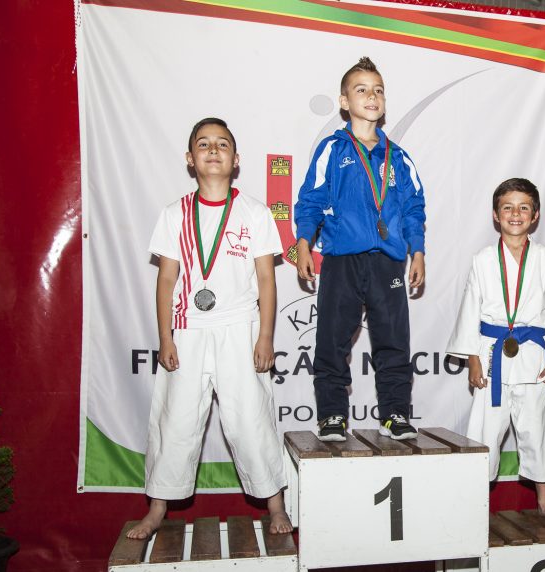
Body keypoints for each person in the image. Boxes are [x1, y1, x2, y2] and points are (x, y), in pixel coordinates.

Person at [129, 117, 291, 539]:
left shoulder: (253, 213)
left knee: (250, 419)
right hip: (188, 328)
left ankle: (276, 505)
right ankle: (157, 509)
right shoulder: (173, 214)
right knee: (175, 421)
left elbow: (267, 280)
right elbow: (166, 280)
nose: (213, 150)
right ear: (190, 158)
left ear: (236, 161)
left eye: (222, 144)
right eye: (203, 144)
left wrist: (266, 337)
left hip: (239, 325)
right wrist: (165, 336)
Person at [294, 56, 426, 441]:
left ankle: (395, 414)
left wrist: (417, 250)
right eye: (362, 89)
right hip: (341, 260)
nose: (372, 96)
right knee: (332, 339)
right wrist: (304, 242)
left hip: (388, 261)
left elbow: (414, 207)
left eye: (378, 90)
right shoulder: (331, 150)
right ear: (343, 101)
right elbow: (311, 200)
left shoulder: (399, 157)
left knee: (393, 340)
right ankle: (332, 415)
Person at [446, 178, 545, 524]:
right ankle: (473, 502)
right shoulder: (482, 259)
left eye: (524, 207)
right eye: (507, 207)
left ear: (535, 216)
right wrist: (472, 359)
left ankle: (544, 500)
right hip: (492, 355)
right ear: (496, 215)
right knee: (483, 433)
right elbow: (470, 310)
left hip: (535, 356)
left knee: (537, 427)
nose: (515, 214)